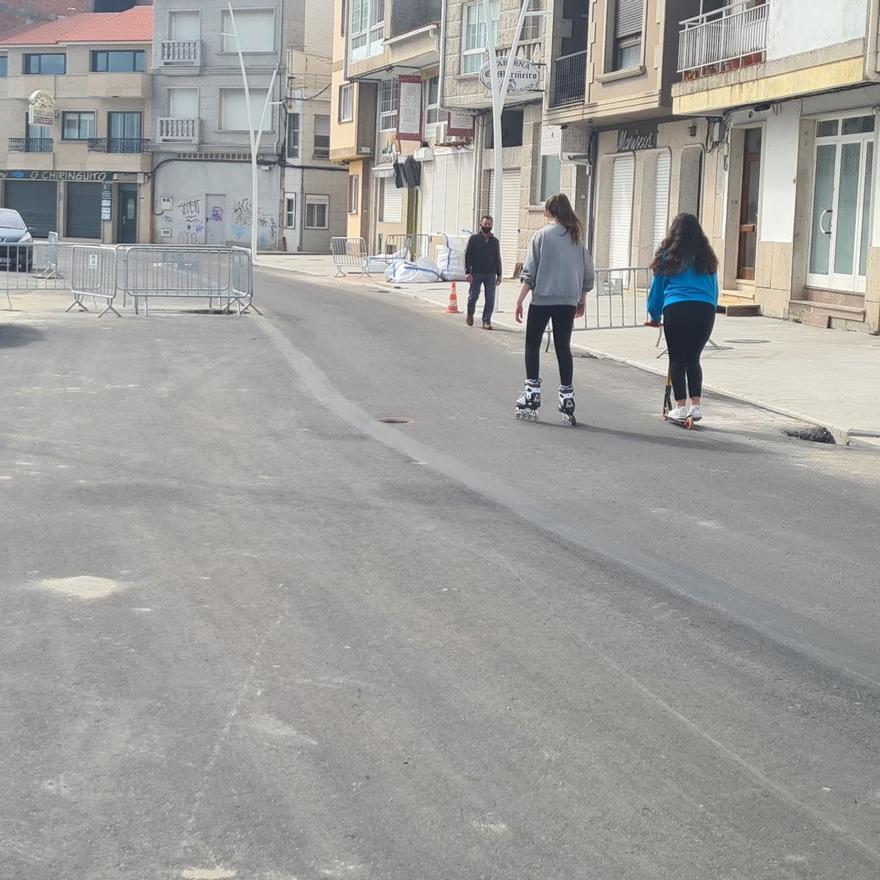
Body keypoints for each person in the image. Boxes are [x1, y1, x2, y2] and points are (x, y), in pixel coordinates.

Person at [514, 194, 594, 422]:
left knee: (532, 344)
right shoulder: (577, 239)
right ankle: (567, 396)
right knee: (562, 347)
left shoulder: (541, 236)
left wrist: (520, 300)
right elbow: (588, 274)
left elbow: (529, 272)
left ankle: (532, 395)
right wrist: (582, 299)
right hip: (567, 301)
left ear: (549, 212)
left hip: (542, 299)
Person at [646, 213, 719, 423]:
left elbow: (657, 290)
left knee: (677, 358)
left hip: (676, 308)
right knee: (693, 358)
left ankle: (679, 406)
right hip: (704, 310)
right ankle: (695, 406)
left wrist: (654, 314)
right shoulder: (707, 257)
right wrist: (710, 310)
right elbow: (714, 289)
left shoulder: (667, 256)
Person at [464, 215, 502, 330]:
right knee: (473, 297)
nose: (487, 226)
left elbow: (497, 258)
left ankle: (486, 321)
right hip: (476, 273)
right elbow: (467, 256)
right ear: (481, 225)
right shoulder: (474, 239)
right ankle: (470, 314)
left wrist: (499, 274)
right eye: (485, 224)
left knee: (490, 298)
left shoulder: (495, 241)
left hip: (490, 274)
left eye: (489, 225)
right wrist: (467, 271)